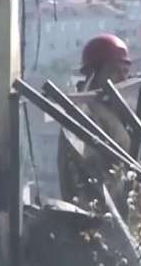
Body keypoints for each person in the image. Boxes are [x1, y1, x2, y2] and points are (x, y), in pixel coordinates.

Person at [57, 33, 135, 213]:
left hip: (119, 209)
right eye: (115, 71)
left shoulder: (115, 112)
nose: (123, 78)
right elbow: (92, 174)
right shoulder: (85, 115)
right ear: (94, 73)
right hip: (96, 214)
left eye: (125, 71)